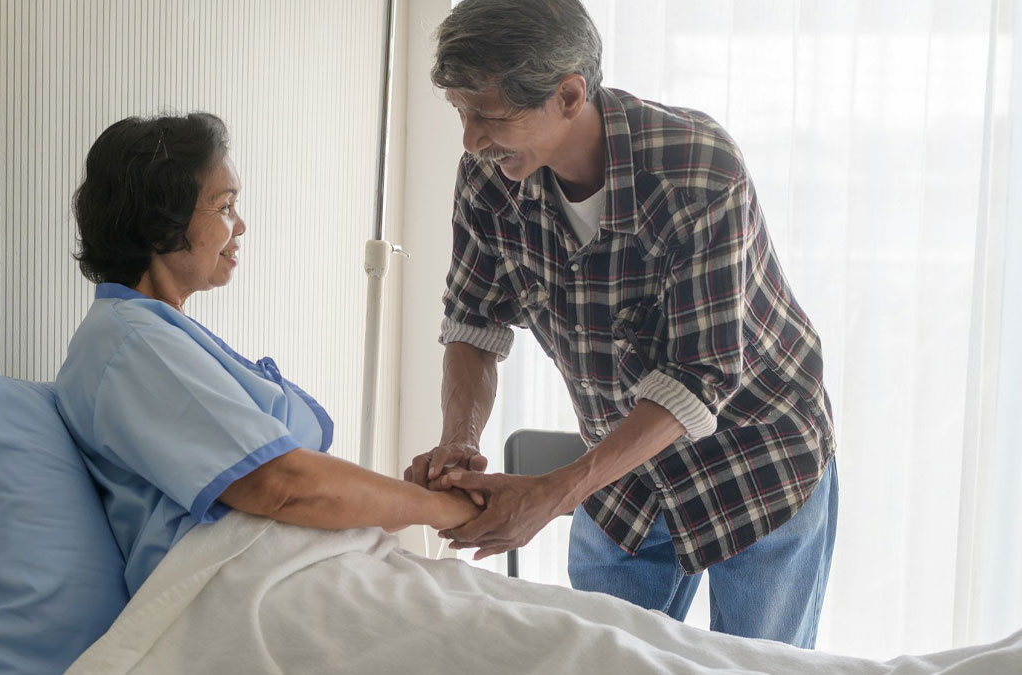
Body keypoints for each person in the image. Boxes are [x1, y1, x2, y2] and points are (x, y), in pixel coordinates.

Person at [405, 0, 838, 648]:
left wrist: (550, 497)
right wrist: (457, 440)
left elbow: (696, 379)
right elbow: (473, 323)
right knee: (602, 658)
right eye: (462, 114)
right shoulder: (490, 180)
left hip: (758, 460)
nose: (471, 140)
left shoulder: (697, 171)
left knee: (759, 666)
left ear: (571, 94)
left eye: (490, 117)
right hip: (624, 479)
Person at [54, 113, 480, 595]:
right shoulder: (129, 344)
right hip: (240, 585)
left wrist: (414, 502)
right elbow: (280, 484)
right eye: (224, 206)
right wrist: (450, 508)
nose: (240, 225)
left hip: (284, 569)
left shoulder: (153, 334)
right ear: (159, 224)